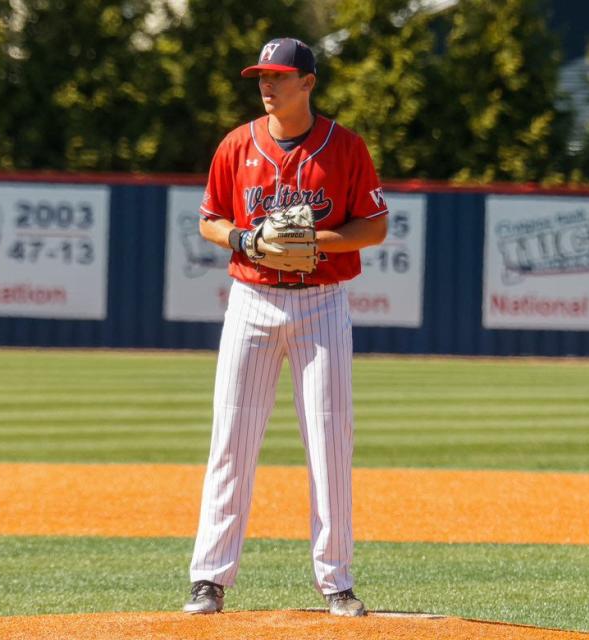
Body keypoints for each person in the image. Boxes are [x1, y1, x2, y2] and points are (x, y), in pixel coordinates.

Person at [183, 37, 389, 617]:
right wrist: (246, 239)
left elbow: (373, 227)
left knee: (329, 443)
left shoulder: (344, 148)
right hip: (251, 299)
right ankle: (209, 579)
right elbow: (210, 221)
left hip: (322, 302)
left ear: (309, 83)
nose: (267, 85)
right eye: (261, 77)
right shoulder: (236, 144)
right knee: (231, 441)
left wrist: (316, 243)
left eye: (279, 75)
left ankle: (337, 582)